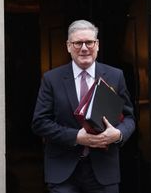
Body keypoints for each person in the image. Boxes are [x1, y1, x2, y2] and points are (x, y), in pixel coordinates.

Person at [32, 19, 135, 193]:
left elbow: (129, 117)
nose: (84, 48)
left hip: (104, 172)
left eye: (89, 42)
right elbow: (40, 123)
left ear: (98, 44)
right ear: (68, 46)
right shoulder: (52, 79)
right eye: (78, 43)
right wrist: (76, 137)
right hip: (63, 172)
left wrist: (118, 134)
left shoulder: (115, 76)